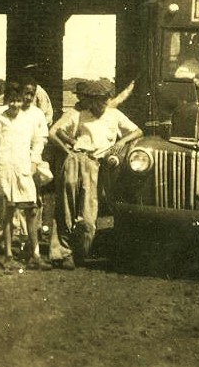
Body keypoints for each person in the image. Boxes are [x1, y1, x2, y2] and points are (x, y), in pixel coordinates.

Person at [48, 78, 142, 269]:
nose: (101, 103)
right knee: (66, 207)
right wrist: (70, 147)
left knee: (89, 213)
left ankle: (80, 252)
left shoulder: (115, 115)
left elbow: (138, 131)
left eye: (105, 99)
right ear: (90, 100)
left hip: (96, 165)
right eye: (97, 99)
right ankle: (62, 253)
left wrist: (121, 142)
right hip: (76, 159)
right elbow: (57, 132)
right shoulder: (79, 115)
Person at [0, 81, 49, 269]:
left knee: (31, 210)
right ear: (7, 101)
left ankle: (35, 254)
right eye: (11, 101)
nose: (15, 105)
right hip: (4, 169)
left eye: (18, 101)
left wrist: (33, 162)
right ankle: (8, 255)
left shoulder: (29, 119)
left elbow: (38, 139)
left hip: (23, 169)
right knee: (8, 213)